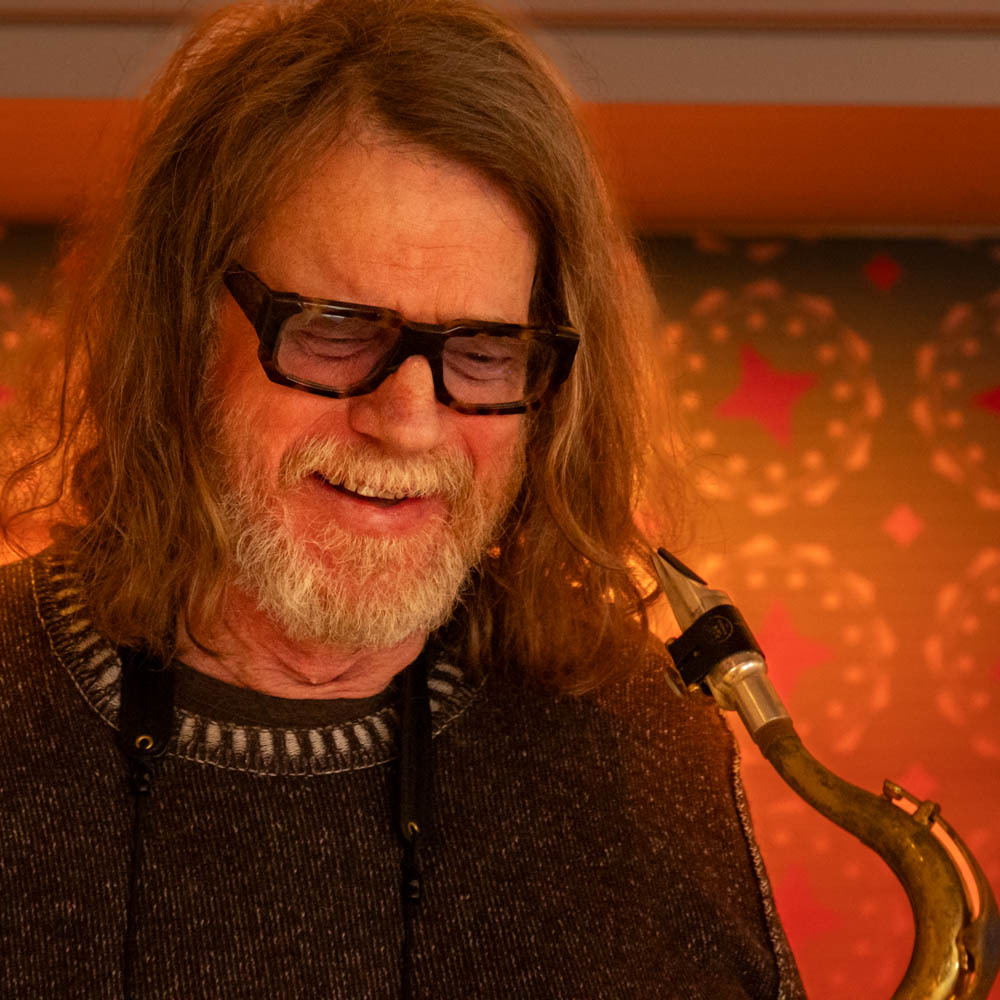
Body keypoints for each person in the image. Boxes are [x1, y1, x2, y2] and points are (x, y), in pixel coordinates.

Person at [0, 1, 805, 996]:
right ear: (174, 328)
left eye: (484, 349)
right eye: (336, 329)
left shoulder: (638, 748)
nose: (411, 423)